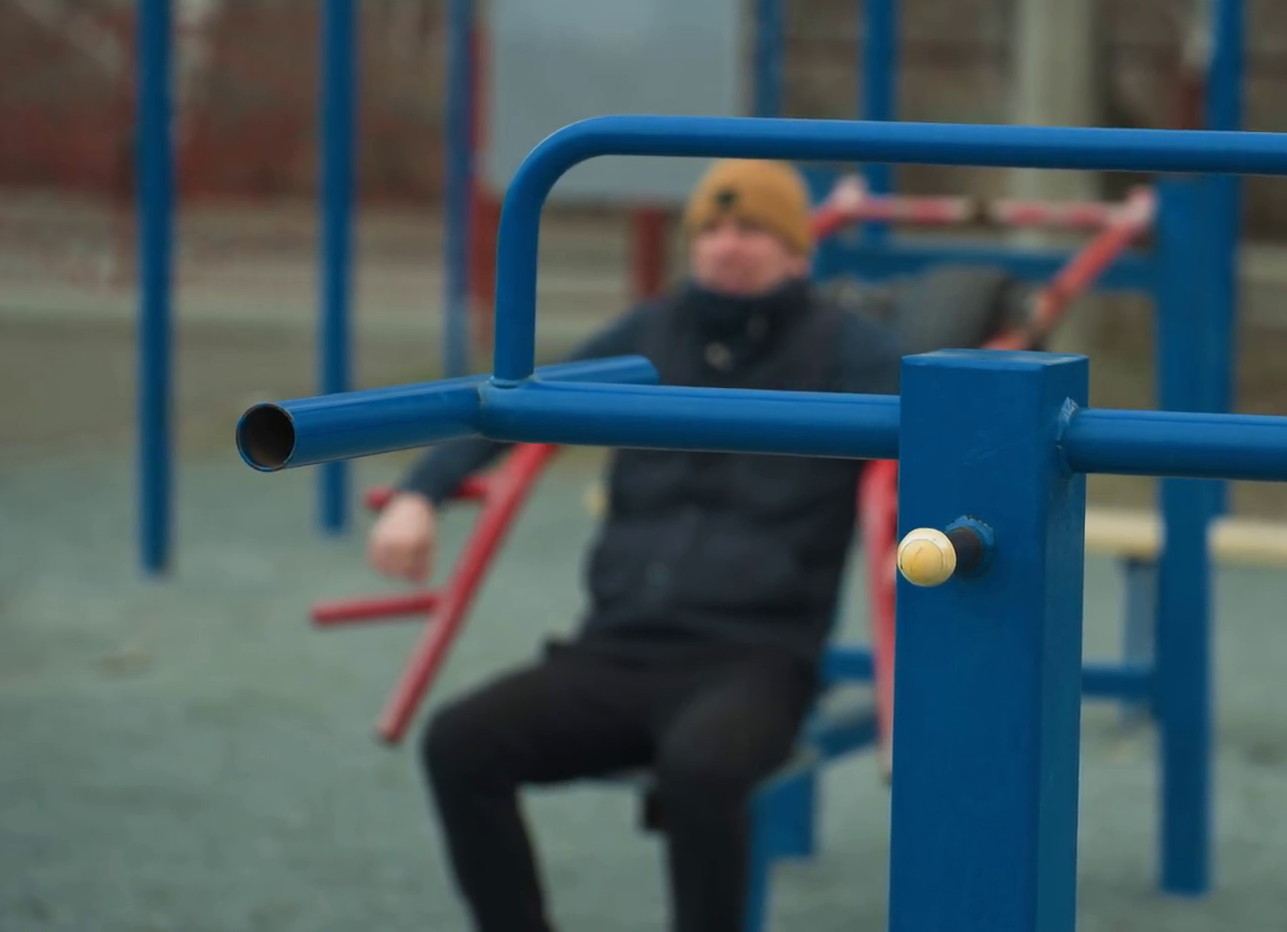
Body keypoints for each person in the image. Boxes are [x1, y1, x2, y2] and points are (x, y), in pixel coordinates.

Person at [366, 158, 903, 932]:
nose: (726, 245)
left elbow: (936, 436)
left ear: (796, 252)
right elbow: (518, 402)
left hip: (753, 659)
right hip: (617, 649)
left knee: (702, 770)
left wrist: (916, 533)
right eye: (711, 230)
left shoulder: (847, 349)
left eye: (751, 230)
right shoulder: (651, 335)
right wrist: (421, 492)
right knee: (460, 743)